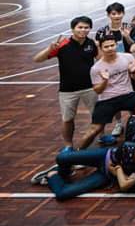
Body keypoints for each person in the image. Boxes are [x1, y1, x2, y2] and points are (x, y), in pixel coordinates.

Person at [33, 16, 98, 150]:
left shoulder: (92, 44)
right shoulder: (62, 45)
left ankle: (101, 137)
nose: (83, 30)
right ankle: (68, 145)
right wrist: (49, 49)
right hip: (67, 89)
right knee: (68, 119)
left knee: (98, 116)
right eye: (80, 27)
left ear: (90, 29)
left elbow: (102, 59)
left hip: (90, 87)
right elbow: (37, 59)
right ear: (72, 29)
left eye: (86, 27)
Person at [30, 135, 135, 201]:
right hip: (103, 156)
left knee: (62, 194)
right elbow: (114, 168)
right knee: (61, 157)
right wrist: (121, 174)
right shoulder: (127, 146)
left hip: (106, 176)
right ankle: (64, 172)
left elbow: (124, 186)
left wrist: (118, 170)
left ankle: (52, 175)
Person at [77, 36, 135, 150]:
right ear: (101, 48)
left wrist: (134, 72)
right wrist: (105, 80)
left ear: (116, 45)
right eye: (106, 47)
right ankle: (76, 154)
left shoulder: (127, 57)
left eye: (112, 45)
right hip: (107, 99)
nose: (110, 48)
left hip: (128, 94)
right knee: (94, 129)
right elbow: (98, 90)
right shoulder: (96, 68)